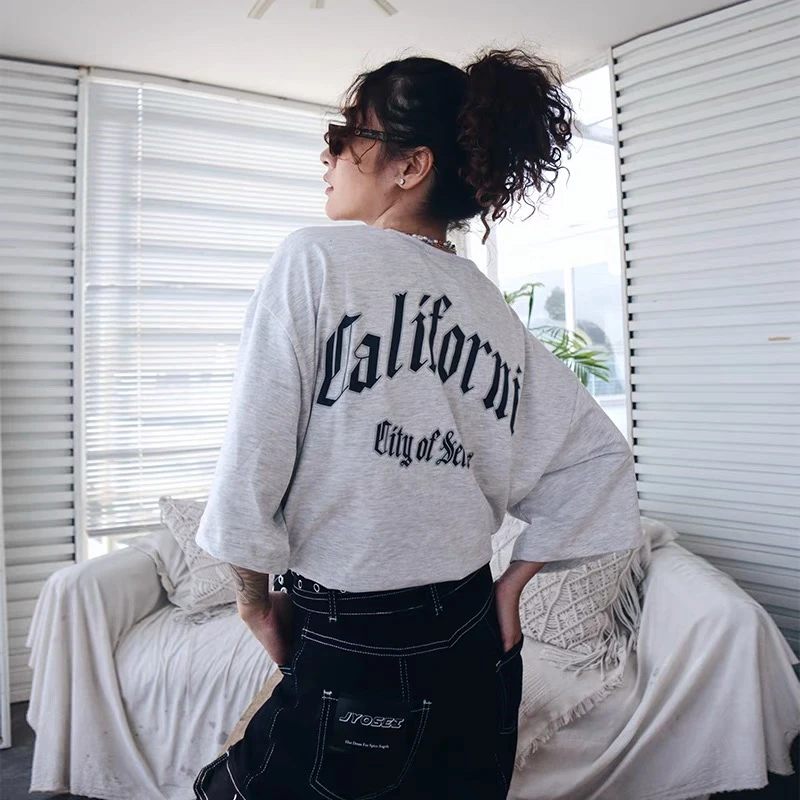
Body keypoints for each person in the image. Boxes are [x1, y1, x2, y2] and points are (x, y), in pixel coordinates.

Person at [192, 46, 643, 800]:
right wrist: (510, 587)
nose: (328, 153)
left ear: (410, 166)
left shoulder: (317, 259)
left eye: (345, 134)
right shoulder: (489, 306)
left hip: (355, 641)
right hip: (471, 638)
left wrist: (251, 599)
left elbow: (253, 458)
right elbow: (598, 459)